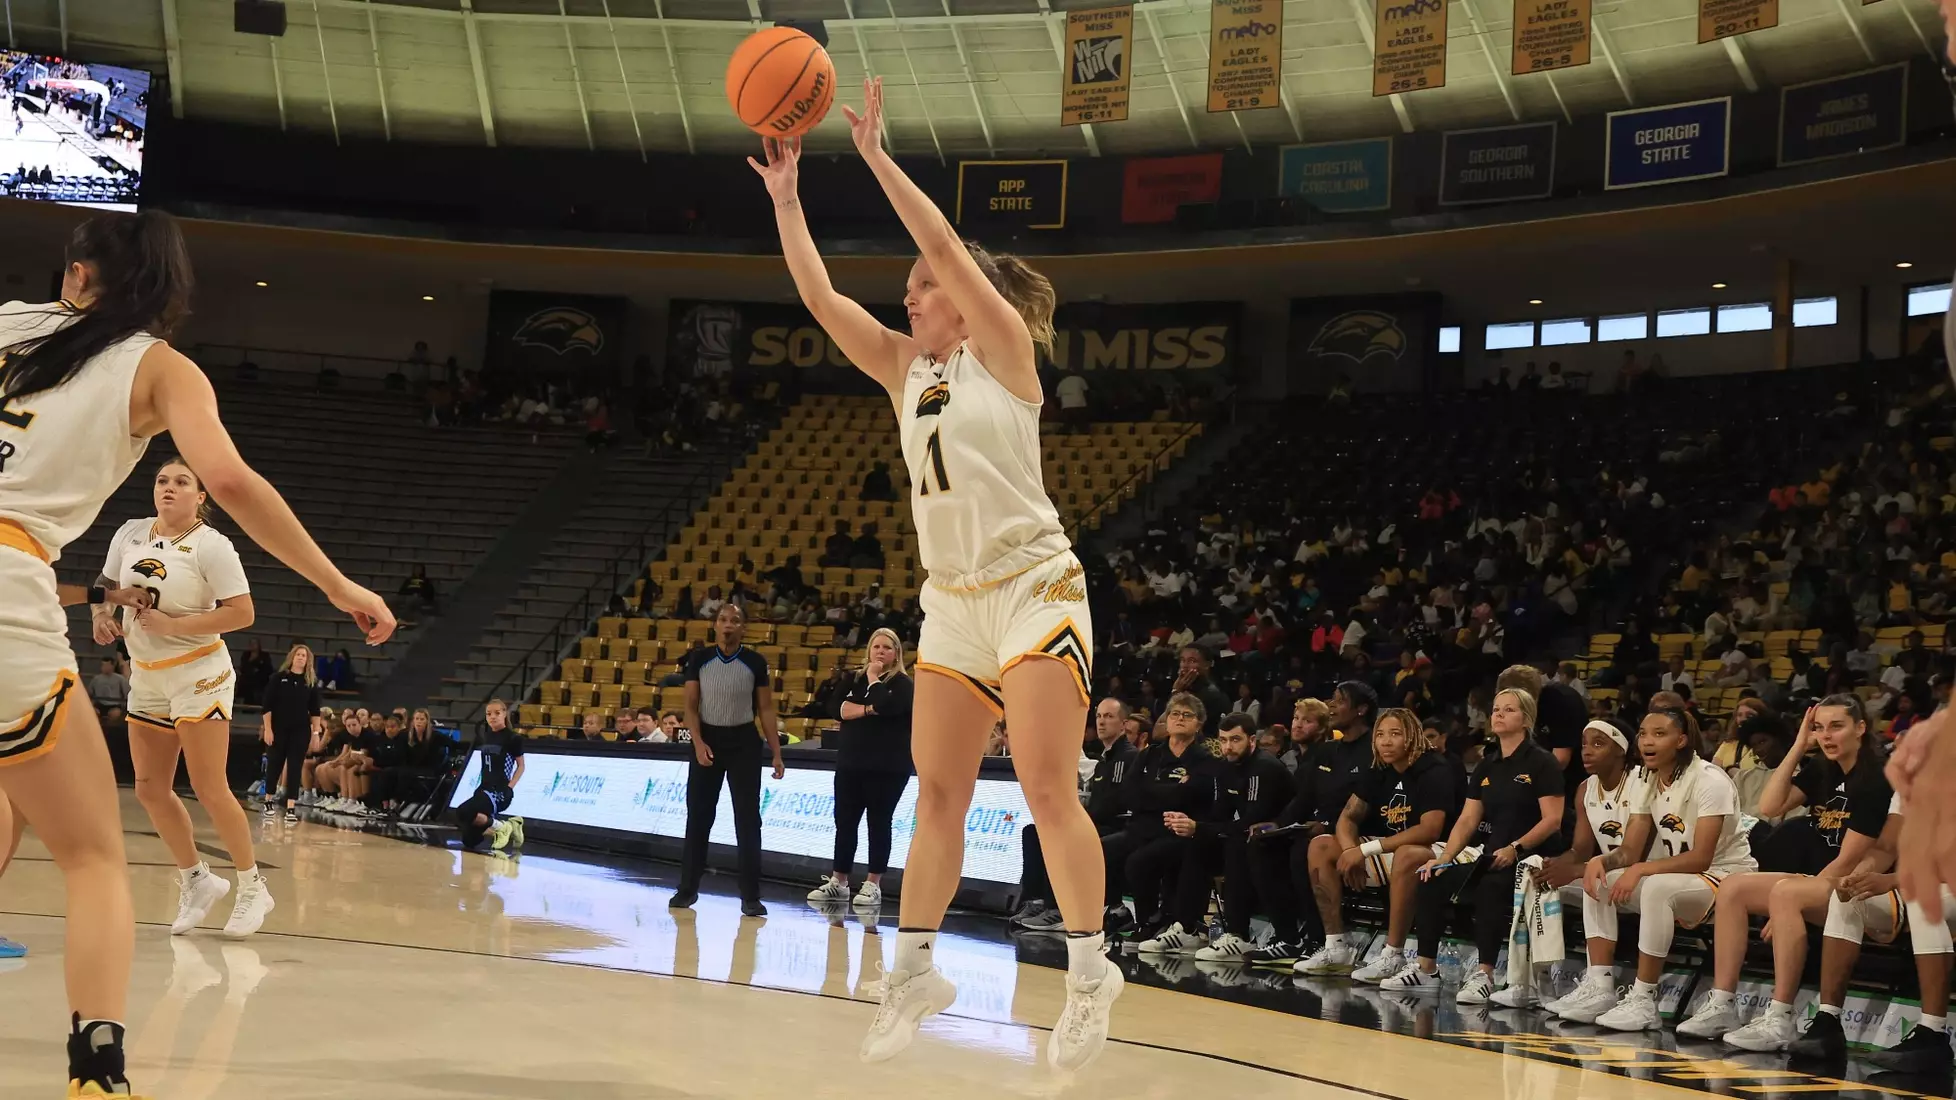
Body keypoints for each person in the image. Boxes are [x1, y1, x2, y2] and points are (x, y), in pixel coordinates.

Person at [751, 78, 1119, 1070]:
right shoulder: (905, 370)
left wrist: (872, 156)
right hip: (953, 605)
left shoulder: (1003, 355)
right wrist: (789, 198)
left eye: (922, 286)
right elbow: (821, 298)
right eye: (909, 287)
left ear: (966, 301)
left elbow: (950, 248)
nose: (909, 293)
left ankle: (1091, 973)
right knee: (940, 790)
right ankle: (913, 969)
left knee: (1045, 784)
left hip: (1036, 585)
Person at [0, 209, 393, 1097]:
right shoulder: (160, 369)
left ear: (76, 274)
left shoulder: (10, 321)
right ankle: (97, 1069)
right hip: (11, 582)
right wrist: (340, 587)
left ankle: (239, 880)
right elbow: (234, 480)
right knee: (96, 854)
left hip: (187, 672)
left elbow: (228, 593)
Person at [100, 457, 273, 938]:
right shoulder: (131, 531)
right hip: (149, 675)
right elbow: (106, 586)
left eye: (181, 482)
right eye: (162, 481)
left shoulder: (212, 546)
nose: (169, 488)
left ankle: (253, 886)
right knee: (150, 788)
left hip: (200, 672)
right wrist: (101, 614)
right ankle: (197, 879)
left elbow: (242, 614)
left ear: (201, 497)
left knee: (209, 786)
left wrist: (177, 626)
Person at [1675, 695, 1891, 1049]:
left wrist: (1790, 902)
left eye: (1836, 726)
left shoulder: (1875, 779)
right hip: (1820, 881)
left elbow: (1849, 860)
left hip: (1860, 884)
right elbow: (1771, 805)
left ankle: (1780, 1017)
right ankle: (1723, 1003)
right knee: (1733, 888)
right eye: (1819, 728)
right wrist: (1798, 745)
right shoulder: (1825, 768)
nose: (1827, 736)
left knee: (1785, 894)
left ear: (1861, 728)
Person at [1563, 708, 1756, 1029]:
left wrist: (1641, 870)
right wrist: (1602, 860)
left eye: (1659, 734)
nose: (1647, 742)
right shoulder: (1645, 778)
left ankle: (1644, 999)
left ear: (1681, 740)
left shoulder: (1709, 779)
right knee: (1600, 880)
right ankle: (1599, 986)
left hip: (1726, 877)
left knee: (1655, 886)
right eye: (1642, 733)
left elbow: (1701, 859)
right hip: (1679, 879)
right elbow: (1629, 850)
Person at [1382, 687, 1566, 999]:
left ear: (1526, 719)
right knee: (1430, 878)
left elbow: (1552, 820)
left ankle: (1485, 974)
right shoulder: (1487, 765)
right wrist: (1444, 859)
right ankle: (1426, 969)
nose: (1498, 714)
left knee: (1491, 886)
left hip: (1534, 858)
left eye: (1508, 710)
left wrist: (1516, 847)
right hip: (1495, 855)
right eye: (1496, 709)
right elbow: (1467, 821)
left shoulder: (1541, 762)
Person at [1295, 708, 1456, 977]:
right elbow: (1347, 818)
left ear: (1413, 736)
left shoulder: (1433, 768)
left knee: (1407, 853)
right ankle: (1336, 947)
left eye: (1395, 734)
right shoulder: (1378, 767)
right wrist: (1350, 852)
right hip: (1390, 847)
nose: (1386, 741)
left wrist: (1366, 850)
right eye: (1380, 734)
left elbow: (1430, 830)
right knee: (1320, 845)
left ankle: (1393, 955)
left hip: (1442, 850)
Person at [674, 603, 784, 917]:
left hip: (744, 743)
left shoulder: (755, 661)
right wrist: (697, 743)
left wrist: (776, 752)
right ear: (715, 625)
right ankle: (687, 889)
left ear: (743, 627)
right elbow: (691, 708)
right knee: (699, 817)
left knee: (748, 820)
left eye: (735, 620)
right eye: (723, 619)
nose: (728, 625)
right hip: (707, 740)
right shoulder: (700, 659)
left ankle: (751, 895)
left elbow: (765, 710)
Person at [809, 627, 913, 909]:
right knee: (845, 822)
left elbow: (887, 705)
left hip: (888, 767)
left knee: (879, 823)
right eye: (876, 647)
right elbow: (835, 709)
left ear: (896, 654)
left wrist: (872, 681)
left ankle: (872, 884)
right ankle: (839, 882)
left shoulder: (903, 684)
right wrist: (867, 710)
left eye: (887, 648)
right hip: (851, 762)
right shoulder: (851, 679)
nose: (880, 652)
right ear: (869, 650)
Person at [1012, 697, 1137, 931]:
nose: (1101, 722)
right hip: (1097, 821)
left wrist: (1078, 816)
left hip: (1118, 826)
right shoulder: (1104, 759)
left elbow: (1115, 805)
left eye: (1109, 717)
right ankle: (1037, 900)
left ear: (1124, 724)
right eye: (1099, 716)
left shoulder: (1125, 757)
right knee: (1033, 832)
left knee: (1061, 836)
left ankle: (1057, 908)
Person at [1535, 718, 1633, 1016]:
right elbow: (1580, 849)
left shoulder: (1640, 783)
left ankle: (1601, 985)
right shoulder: (1584, 789)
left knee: (1595, 880)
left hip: (1641, 872)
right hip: (1604, 868)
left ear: (1621, 751)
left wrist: (1578, 869)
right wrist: (1553, 866)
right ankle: (1535, 980)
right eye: (1584, 745)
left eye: (1598, 744)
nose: (1587, 752)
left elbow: (1633, 855)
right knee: (1534, 878)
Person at [258, 643, 321, 824]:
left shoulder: (310, 683)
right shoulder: (278, 678)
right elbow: (267, 706)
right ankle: (269, 799)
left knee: (295, 767)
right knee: (275, 764)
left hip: (300, 730)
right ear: (292, 657)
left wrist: (316, 733)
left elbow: (315, 711)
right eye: (299, 654)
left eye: (304, 655)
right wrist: (268, 729)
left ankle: (291, 805)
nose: (301, 657)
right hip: (278, 728)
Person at [456, 699, 525, 852]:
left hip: (499, 791)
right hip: (483, 789)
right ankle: (508, 826)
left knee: (462, 811)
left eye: (497, 713)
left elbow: (521, 766)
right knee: (469, 840)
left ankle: (502, 827)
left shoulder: (513, 738)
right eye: (488, 714)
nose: (492, 717)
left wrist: (510, 787)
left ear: (504, 714)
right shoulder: (487, 736)